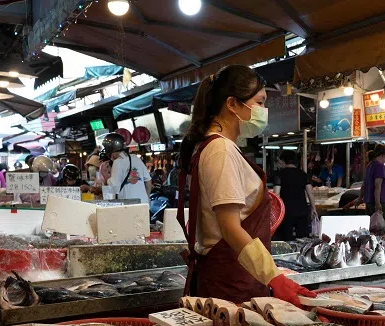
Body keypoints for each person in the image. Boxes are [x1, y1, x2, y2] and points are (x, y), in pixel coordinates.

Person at [176, 64, 315, 305]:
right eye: (259, 102)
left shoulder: (217, 147)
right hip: (230, 283)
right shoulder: (221, 150)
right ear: (232, 104)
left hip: (235, 275)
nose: (263, 110)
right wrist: (274, 278)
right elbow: (230, 227)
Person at [273, 150, 317, 240]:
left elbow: (276, 195)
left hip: (286, 212)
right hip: (302, 211)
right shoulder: (303, 174)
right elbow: (310, 193)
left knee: (287, 240)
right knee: (303, 239)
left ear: (283, 160)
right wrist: (313, 208)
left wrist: (275, 211)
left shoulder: (279, 175)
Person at [102, 133, 150, 203]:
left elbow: (114, 189)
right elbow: (148, 181)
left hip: (128, 205)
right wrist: (147, 198)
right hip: (143, 204)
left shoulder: (117, 162)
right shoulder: (135, 158)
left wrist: (104, 174)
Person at [363, 143, 385, 226]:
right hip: (379, 202)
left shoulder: (370, 165)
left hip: (369, 202)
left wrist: (360, 198)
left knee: (371, 228)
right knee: (382, 229)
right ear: (383, 155)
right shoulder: (380, 166)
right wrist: (378, 203)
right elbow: (377, 186)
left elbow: (364, 184)